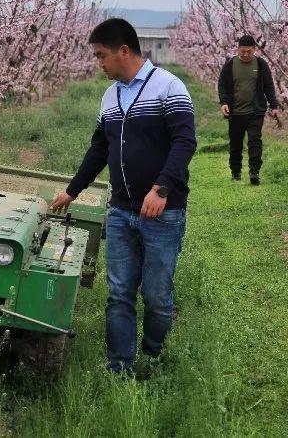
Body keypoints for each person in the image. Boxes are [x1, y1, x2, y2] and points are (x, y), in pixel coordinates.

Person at [51, 18, 197, 376]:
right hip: (120, 212)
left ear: (124, 51)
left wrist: (161, 188)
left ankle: (153, 358)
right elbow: (99, 149)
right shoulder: (110, 95)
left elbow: (184, 142)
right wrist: (72, 190)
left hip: (162, 213)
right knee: (119, 294)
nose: (98, 63)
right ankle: (120, 367)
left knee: (158, 299)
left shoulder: (168, 87)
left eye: (101, 55)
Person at [217, 34, 279, 185]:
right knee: (236, 143)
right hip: (235, 112)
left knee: (254, 141)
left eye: (248, 51)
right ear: (238, 49)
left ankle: (254, 172)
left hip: (255, 111)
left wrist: (274, 105)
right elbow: (222, 85)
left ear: (254, 50)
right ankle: (236, 172)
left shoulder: (261, 64)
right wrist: (224, 102)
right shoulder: (230, 64)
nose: (245, 54)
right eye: (242, 51)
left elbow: (269, 86)